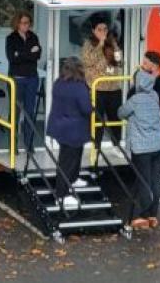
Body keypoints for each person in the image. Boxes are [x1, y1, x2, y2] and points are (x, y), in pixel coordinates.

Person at [118, 67, 160, 229]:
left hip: (142, 147)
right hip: (158, 145)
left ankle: (142, 216)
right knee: (154, 179)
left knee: (143, 180)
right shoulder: (154, 96)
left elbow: (121, 113)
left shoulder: (136, 100)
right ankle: (153, 214)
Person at [47, 57, 92, 208]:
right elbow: (86, 109)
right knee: (67, 162)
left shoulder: (58, 83)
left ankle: (73, 179)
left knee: (71, 156)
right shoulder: (79, 87)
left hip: (60, 127)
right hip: (74, 129)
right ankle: (61, 195)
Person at [82, 17, 123, 147]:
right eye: (99, 29)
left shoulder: (111, 42)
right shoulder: (88, 44)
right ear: (94, 31)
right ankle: (96, 147)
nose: (103, 32)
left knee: (115, 119)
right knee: (97, 120)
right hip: (97, 88)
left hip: (113, 88)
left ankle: (116, 145)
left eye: (105, 29)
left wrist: (114, 45)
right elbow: (89, 61)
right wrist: (100, 45)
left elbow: (119, 60)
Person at [5, 11, 41, 152]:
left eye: (28, 22)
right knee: (15, 112)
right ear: (17, 23)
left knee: (29, 112)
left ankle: (29, 144)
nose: (26, 25)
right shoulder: (11, 38)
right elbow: (12, 58)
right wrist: (29, 53)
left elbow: (38, 55)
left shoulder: (33, 37)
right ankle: (13, 146)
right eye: (23, 23)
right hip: (16, 80)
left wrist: (21, 54)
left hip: (32, 79)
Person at [128, 51, 160, 127]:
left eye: (145, 64)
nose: (141, 66)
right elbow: (130, 98)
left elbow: (155, 103)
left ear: (154, 67)